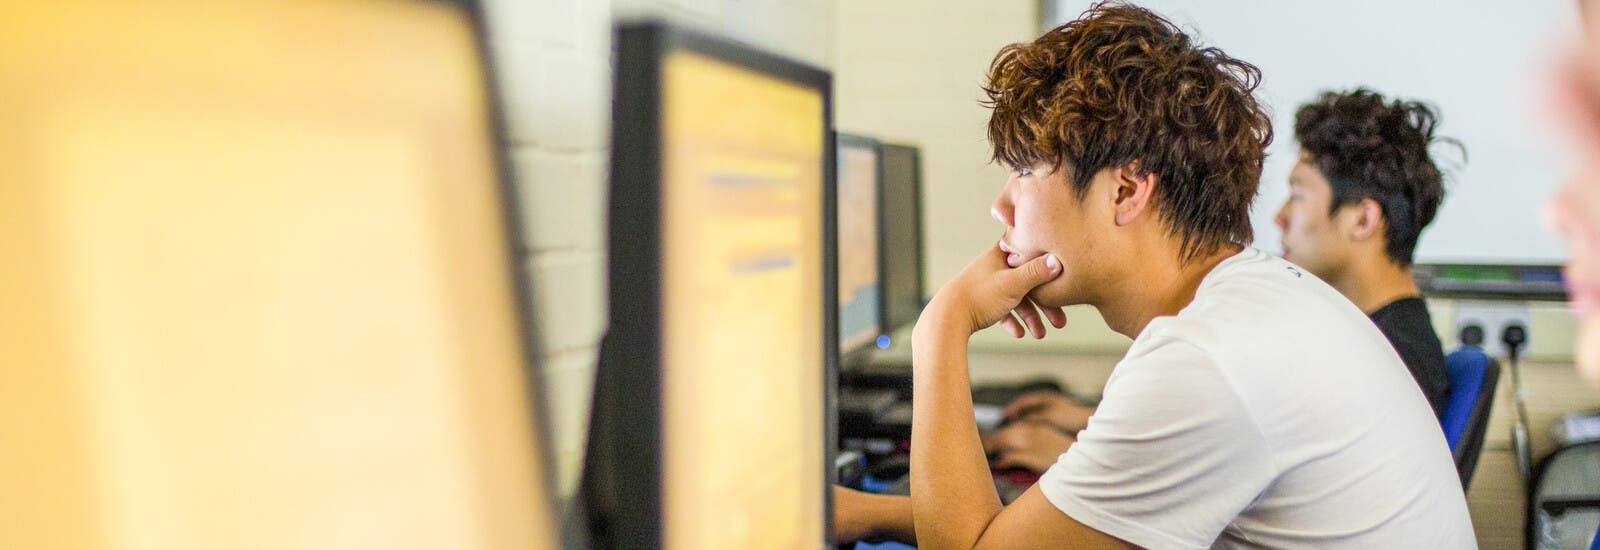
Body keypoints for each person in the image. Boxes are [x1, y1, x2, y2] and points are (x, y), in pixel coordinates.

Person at [833, 3, 1475, 548]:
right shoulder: (1257, 298)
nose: (1001, 206)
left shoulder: (1205, 358)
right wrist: (870, 513)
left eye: (1026, 170)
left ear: (1126, 191)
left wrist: (942, 325)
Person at [988, 89, 1462, 472]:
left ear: (1362, 219)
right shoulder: (1363, 334)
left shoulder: (1392, 361)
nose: (1278, 217)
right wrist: (1082, 419)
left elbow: (1221, 451)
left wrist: (1071, 453)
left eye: (1298, 195)